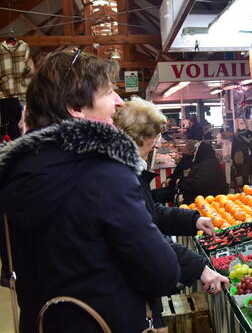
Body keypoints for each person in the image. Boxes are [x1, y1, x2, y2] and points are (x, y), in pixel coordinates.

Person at [0, 51, 180, 332]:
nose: (119, 101)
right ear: (76, 107)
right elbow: (161, 272)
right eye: (108, 92)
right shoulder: (105, 175)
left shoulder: (15, 174)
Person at [113, 98, 229, 327]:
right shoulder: (120, 177)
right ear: (139, 137)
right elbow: (143, 238)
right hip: (126, 297)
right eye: (155, 137)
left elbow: (150, 213)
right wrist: (199, 268)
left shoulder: (126, 170)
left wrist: (194, 219)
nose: (158, 144)